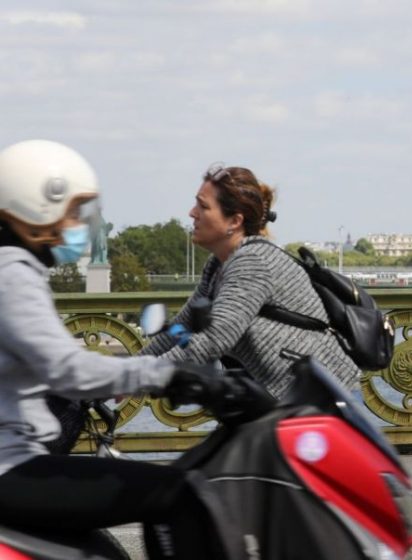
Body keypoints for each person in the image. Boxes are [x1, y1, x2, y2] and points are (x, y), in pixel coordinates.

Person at [0, 140, 232, 559]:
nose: (78, 224)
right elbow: (65, 368)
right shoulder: (12, 275)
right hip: (10, 467)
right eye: (72, 212)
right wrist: (164, 375)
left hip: (16, 461)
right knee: (176, 492)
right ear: (36, 210)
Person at [140, 164, 360, 398]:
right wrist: (129, 368)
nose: (192, 213)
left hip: (324, 400)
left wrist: (138, 377)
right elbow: (183, 327)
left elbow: (214, 340)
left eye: (203, 206)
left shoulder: (252, 262)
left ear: (234, 221)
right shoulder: (218, 265)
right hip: (288, 400)